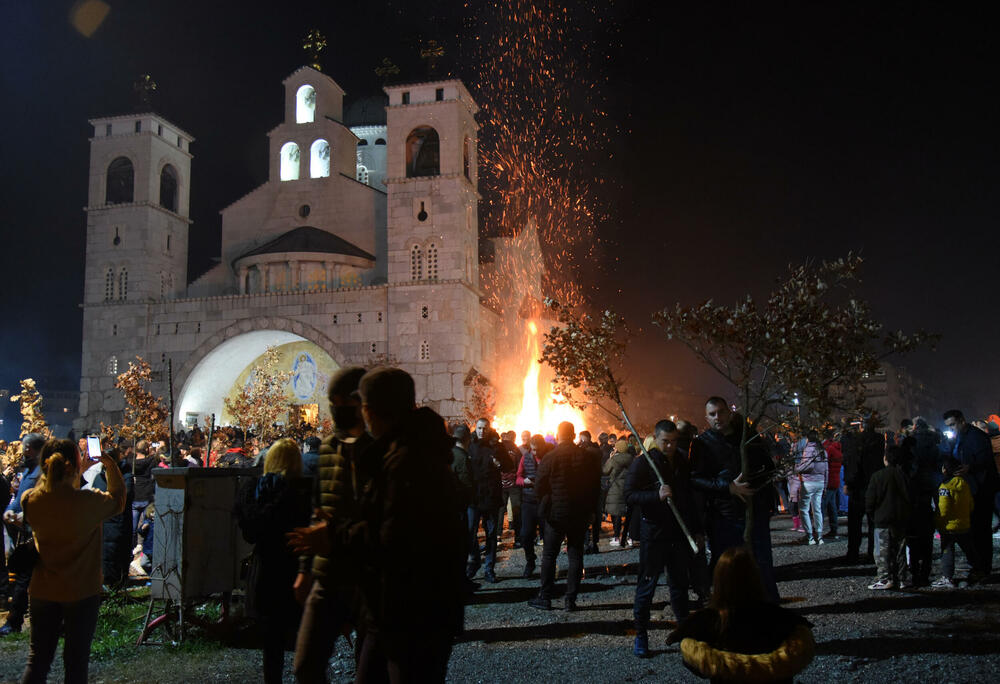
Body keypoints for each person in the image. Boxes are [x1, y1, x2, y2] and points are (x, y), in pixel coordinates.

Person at [318, 367, 466, 680]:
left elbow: (393, 536)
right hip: (398, 609)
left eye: (365, 408)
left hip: (412, 610)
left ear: (373, 411)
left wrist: (335, 535)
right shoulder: (407, 451)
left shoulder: (408, 461)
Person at [289, 366, 373, 683]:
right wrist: (303, 569)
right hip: (327, 574)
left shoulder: (378, 452)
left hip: (367, 577)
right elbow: (317, 510)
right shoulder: (327, 449)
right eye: (333, 403)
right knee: (305, 666)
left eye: (343, 403)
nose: (337, 411)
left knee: (369, 671)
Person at [19, 438, 126, 683]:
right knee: (76, 663)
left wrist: (74, 472)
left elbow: (53, 493)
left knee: (37, 662)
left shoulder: (31, 500)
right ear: (74, 466)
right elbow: (118, 500)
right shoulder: (89, 502)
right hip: (81, 590)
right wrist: (108, 465)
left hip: (43, 590)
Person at [667, 547, 814, 683]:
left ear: (718, 580)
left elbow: (696, 668)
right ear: (756, 577)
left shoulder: (705, 622)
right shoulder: (781, 619)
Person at [690, 397, 779, 603]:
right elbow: (695, 479)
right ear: (707, 418)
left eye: (721, 412)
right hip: (724, 516)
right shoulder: (702, 444)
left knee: (762, 563)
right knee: (726, 567)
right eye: (712, 414)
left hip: (753, 511)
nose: (717, 417)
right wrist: (728, 487)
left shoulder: (748, 438)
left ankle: (770, 610)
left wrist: (753, 486)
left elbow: (768, 468)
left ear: (729, 413)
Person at [626, 420, 704, 657]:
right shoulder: (644, 463)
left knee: (679, 585)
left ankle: (684, 631)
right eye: (665, 442)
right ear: (655, 439)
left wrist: (697, 529)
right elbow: (629, 495)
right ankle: (641, 634)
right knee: (647, 585)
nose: (670, 446)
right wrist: (655, 495)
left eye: (674, 441)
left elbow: (690, 499)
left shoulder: (681, 461)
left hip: (678, 534)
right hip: (654, 534)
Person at [238, 438, 312, 684]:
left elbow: (249, 531)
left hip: (266, 568)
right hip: (296, 567)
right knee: (305, 636)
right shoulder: (302, 491)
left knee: (272, 642)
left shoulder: (255, 490)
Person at [528, 421, 601, 612]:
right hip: (579, 513)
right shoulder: (586, 457)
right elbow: (594, 487)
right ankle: (571, 600)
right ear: (573, 434)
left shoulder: (550, 457)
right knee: (576, 555)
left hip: (555, 514)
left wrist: (545, 504)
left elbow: (539, 487)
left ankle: (545, 596)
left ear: (558, 435)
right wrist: (591, 510)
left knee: (549, 555)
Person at [943, 409, 998, 575]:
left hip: (981, 489)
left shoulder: (976, 437)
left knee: (981, 529)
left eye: (953, 425)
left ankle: (983, 567)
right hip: (970, 489)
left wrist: (970, 468)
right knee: (973, 529)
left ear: (961, 420)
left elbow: (986, 461)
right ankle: (978, 565)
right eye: (949, 426)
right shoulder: (960, 437)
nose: (951, 429)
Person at [1, 432, 45, 636]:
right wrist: (13, 511)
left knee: (26, 578)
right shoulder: (29, 470)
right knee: (24, 578)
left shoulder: (42, 471)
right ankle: (17, 620)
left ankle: (16, 621)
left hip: (36, 533)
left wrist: (23, 515)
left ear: (29, 448)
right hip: (25, 531)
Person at [865, 445, 911, 590]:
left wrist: (872, 514)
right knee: (900, 550)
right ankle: (902, 578)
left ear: (885, 459)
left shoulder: (878, 476)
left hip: (882, 519)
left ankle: (885, 578)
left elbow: (870, 500)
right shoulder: (904, 476)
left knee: (881, 552)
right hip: (900, 518)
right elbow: (910, 497)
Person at [933, 456, 981, 588]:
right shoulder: (964, 484)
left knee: (947, 551)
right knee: (968, 549)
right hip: (963, 524)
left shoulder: (945, 486)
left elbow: (944, 509)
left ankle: (947, 577)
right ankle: (977, 570)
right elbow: (970, 504)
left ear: (945, 470)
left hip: (948, 526)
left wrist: (938, 522)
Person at [467, 419, 505, 583]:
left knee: (491, 535)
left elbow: (508, 465)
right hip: (474, 498)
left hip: (491, 498)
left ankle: (489, 569)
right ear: (476, 429)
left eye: (484, 429)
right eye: (479, 428)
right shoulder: (470, 444)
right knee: (470, 533)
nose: (482, 431)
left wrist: (499, 463)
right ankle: (474, 560)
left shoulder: (496, 446)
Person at [843, 417, 885, 563]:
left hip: (859, 486)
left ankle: (853, 552)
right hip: (874, 484)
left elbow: (853, 464)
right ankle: (873, 552)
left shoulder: (857, 441)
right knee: (873, 522)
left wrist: (849, 482)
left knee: (855, 523)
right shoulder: (879, 440)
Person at [516, 434, 545, 578]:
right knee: (526, 535)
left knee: (548, 535)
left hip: (544, 502)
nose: (535, 453)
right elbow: (518, 477)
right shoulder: (525, 458)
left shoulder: (548, 458)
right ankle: (530, 560)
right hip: (528, 501)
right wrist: (524, 482)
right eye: (533, 450)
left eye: (537, 450)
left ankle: (547, 565)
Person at [794, 431, 828, 545]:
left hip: (809, 481)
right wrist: (825, 486)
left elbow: (808, 465)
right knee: (817, 509)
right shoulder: (823, 450)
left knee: (804, 509)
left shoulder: (809, 449)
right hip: (820, 482)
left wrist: (797, 468)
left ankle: (809, 536)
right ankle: (819, 535)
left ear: (808, 439)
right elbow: (826, 469)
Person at [578, 431, 603, 554]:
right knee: (590, 517)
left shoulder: (592, 451)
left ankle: (589, 543)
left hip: (590, 489)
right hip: (591, 488)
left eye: (582, 439)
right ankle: (591, 542)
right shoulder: (593, 450)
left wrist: (580, 448)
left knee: (590, 516)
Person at [604, 439, 633, 547]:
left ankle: (616, 537)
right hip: (628, 488)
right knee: (628, 513)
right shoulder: (632, 459)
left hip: (615, 489)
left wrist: (610, 458)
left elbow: (605, 470)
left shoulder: (614, 459)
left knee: (616, 514)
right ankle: (630, 537)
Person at [821, 429, 843, 539]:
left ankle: (818, 530)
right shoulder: (838, 450)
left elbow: (823, 463)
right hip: (835, 480)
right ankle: (834, 530)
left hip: (829, 480)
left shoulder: (829, 449)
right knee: (832, 506)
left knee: (822, 506)